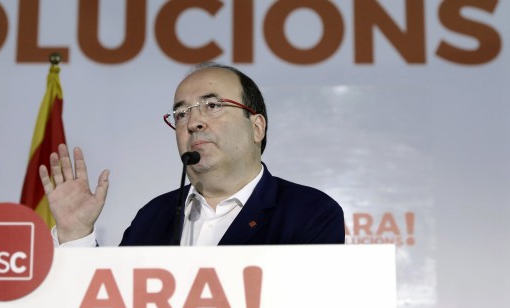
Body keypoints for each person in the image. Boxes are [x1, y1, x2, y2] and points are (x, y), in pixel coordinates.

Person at [39, 62, 344, 246]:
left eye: (213, 106)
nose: (193, 122)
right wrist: (77, 234)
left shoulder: (309, 212)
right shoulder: (153, 218)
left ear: (257, 127)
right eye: (181, 113)